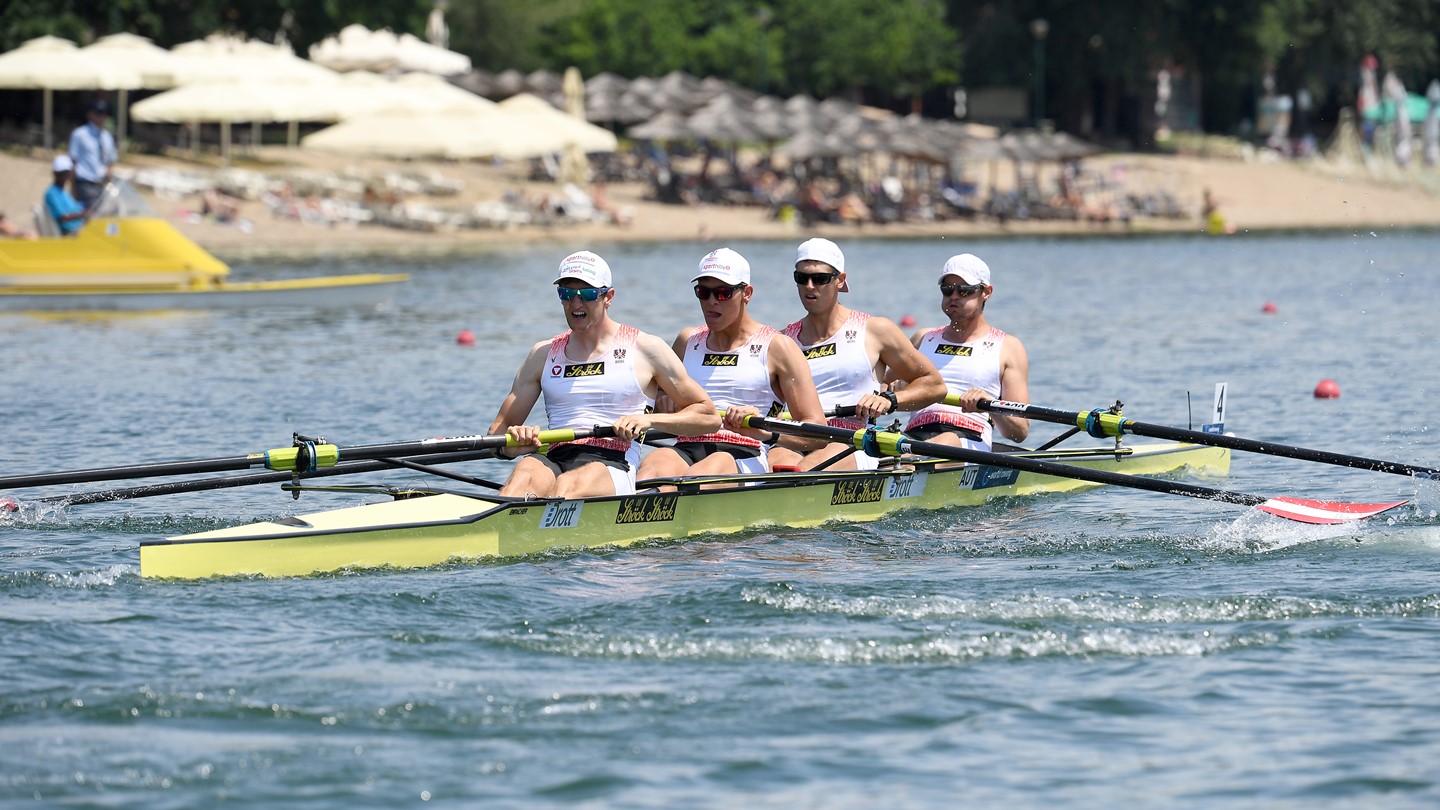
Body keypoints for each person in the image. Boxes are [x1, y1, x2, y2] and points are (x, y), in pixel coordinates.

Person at [487, 251, 720, 499]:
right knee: (525, 472)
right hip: (555, 456)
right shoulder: (542, 355)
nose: (576, 304)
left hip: (614, 462)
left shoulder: (646, 349)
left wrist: (650, 421)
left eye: (586, 294)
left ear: (608, 297)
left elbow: (709, 416)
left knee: (569, 486)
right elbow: (496, 434)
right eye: (567, 293)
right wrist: (511, 447)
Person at [636, 247, 826, 480]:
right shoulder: (687, 341)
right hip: (687, 446)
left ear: (746, 293)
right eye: (703, 292)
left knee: (714, 465)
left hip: (746, 450)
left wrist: (765, 430)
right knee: (654, 464)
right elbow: (652, 403)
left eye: (723, 293)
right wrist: (661, 404)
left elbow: (817, 433)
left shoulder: (778, 347)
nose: (711, 301)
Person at [770, 238, 946, 471]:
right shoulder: (782, 341)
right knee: (769, 466)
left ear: (840, 281)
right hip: (796, 437)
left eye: (820, 279)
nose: (810, 286)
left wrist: (890, 400)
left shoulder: (875, 331)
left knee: (806, 469)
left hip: (854, 440)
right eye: (802, 278)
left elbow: (935, 385)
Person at [892, 254, 1030, 452]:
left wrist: (990, 405)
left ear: (986, 292)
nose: (954, 296)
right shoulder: (923, 339)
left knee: (946, 440)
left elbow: (1020, 433)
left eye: (964, 290)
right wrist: (895, 392)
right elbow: (882, 389)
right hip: (914, 436)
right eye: (947, 290)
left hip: (969, 437)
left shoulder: (1008, 347)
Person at [68, 99, 118, 208]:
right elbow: (73, 162)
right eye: (98, 114)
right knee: (93, 213)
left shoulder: (107, 137)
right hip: (84, 183)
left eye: (104, 114)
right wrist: (73, 188)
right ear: (90, 114)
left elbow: (110, 161)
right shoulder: (79, 134)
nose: (101, 117)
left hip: (101, 184)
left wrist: (109, 181)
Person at [44, 155, 89, 236]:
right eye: (62, 173)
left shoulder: (64, 193)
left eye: (67, 173)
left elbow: (76, 208)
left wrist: (86, 210)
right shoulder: (51, 193)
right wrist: (82, 215)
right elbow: (63, 217)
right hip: (71, 233)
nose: (64, 176)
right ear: (55, 173)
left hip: (79, 229)